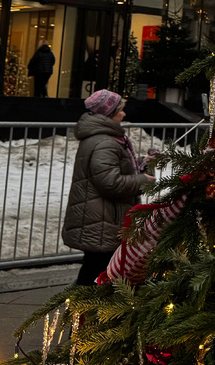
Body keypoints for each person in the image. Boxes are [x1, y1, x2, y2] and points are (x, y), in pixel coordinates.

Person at [62, 89, 155, 285]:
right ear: (109, 112)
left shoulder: (103, 138)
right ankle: (80, 310)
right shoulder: (105, 142)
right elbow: (109, 182)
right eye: (120, 109)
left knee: (97, 269)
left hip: (102, 217)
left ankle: (84, 309)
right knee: (97, 271)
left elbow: (110, 170)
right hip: (103, 220)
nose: (124, 113)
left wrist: (141, 163)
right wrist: (142, 181)